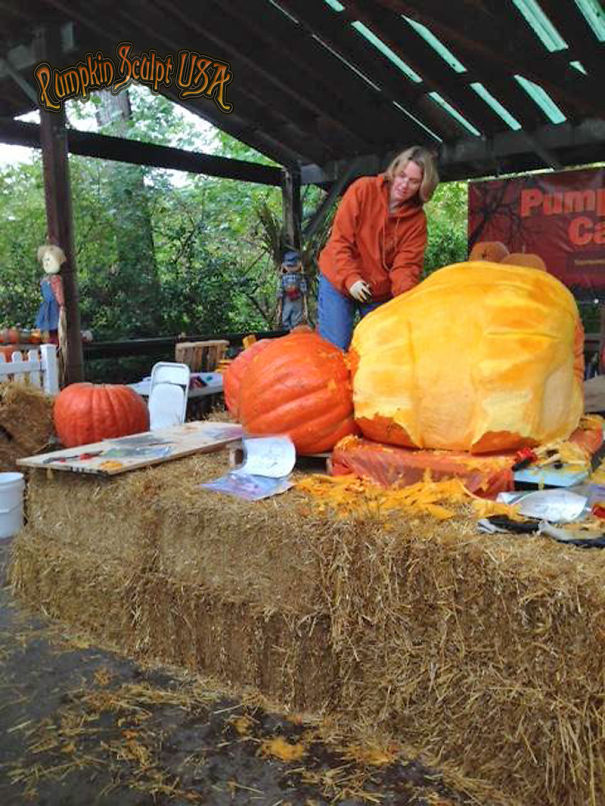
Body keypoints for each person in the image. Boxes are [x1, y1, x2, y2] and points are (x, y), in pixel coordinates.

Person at [317, 145, 439, 350]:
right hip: (340, 277)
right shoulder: (362, 189)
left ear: (423, 185)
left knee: (380, 350)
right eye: (402, 176)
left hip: (376, 292)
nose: (404, 184)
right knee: (336, 347)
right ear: (394, 171)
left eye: (413, 181)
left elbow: (406, 267)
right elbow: (340, 241)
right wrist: (351, 279)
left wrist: (408, 300)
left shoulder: (417, 221)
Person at [277, 249, 308, 330]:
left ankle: (295, 337)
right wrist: (279, 307)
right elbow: (280, 291)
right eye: (289, 266)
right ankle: (288, 336)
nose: (291, 268)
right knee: (285, 319)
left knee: (297, 320)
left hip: (297, 298)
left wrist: (305, 307)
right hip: (287, 298)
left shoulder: (300, 277)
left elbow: (304, 291)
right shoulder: (283, 277)